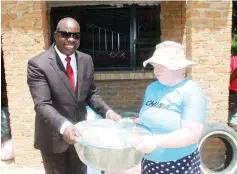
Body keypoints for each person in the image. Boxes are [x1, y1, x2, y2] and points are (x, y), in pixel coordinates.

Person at [27, 17, 121, 174]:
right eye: (65, 34)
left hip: (80, 137)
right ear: (55, 35)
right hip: (54, 138)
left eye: (76, 35)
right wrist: (65, 127)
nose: (71, 39)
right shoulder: (38, 64)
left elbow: (91, 94)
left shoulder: (86, 60)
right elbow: (42, 104)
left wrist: (108, 112)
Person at [135, 41, 207, 174]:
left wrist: (155, 141)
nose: (157, 70)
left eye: (162, 66)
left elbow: (191, 133)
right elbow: (146, 117)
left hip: (179, 165)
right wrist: (132, 125)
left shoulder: (191, 91)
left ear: (178, 67)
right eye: (155, 65)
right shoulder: (152, 88)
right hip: (149, 163)